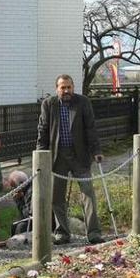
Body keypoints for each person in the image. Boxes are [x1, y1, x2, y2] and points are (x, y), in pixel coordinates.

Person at [36, 74, 103, 245]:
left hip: (80, 155)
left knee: (88, 193)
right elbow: (42, 130)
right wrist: (41, 156)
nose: (66, 90)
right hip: (57, 155)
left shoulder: (83, 102)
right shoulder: (49, 104)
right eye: (62, 87)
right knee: (57, 197)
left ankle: (94, 233)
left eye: (69, 87)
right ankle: (62, 233)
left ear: (73, 87)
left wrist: (96, 150)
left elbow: (91, 128)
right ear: (57, 88)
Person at [8, 170, 33, 235]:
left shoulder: (30, 191)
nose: (13, 190)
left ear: (20, 184)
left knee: (20, 227)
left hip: (39, 220)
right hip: (32, 218)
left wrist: (19, 200)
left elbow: (28, 214)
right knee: (13, 226)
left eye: (14, 187)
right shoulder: (26, 189)